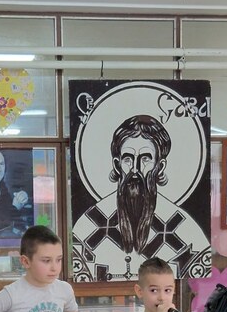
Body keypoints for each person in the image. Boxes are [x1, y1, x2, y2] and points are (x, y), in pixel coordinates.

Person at [72, 114, 210, 281]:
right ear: (117, 164)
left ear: (160, 166)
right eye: (128, 159)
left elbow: (197, 285)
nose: (135, 169)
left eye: (145, 158)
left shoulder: (185, 231)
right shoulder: (88, 227)